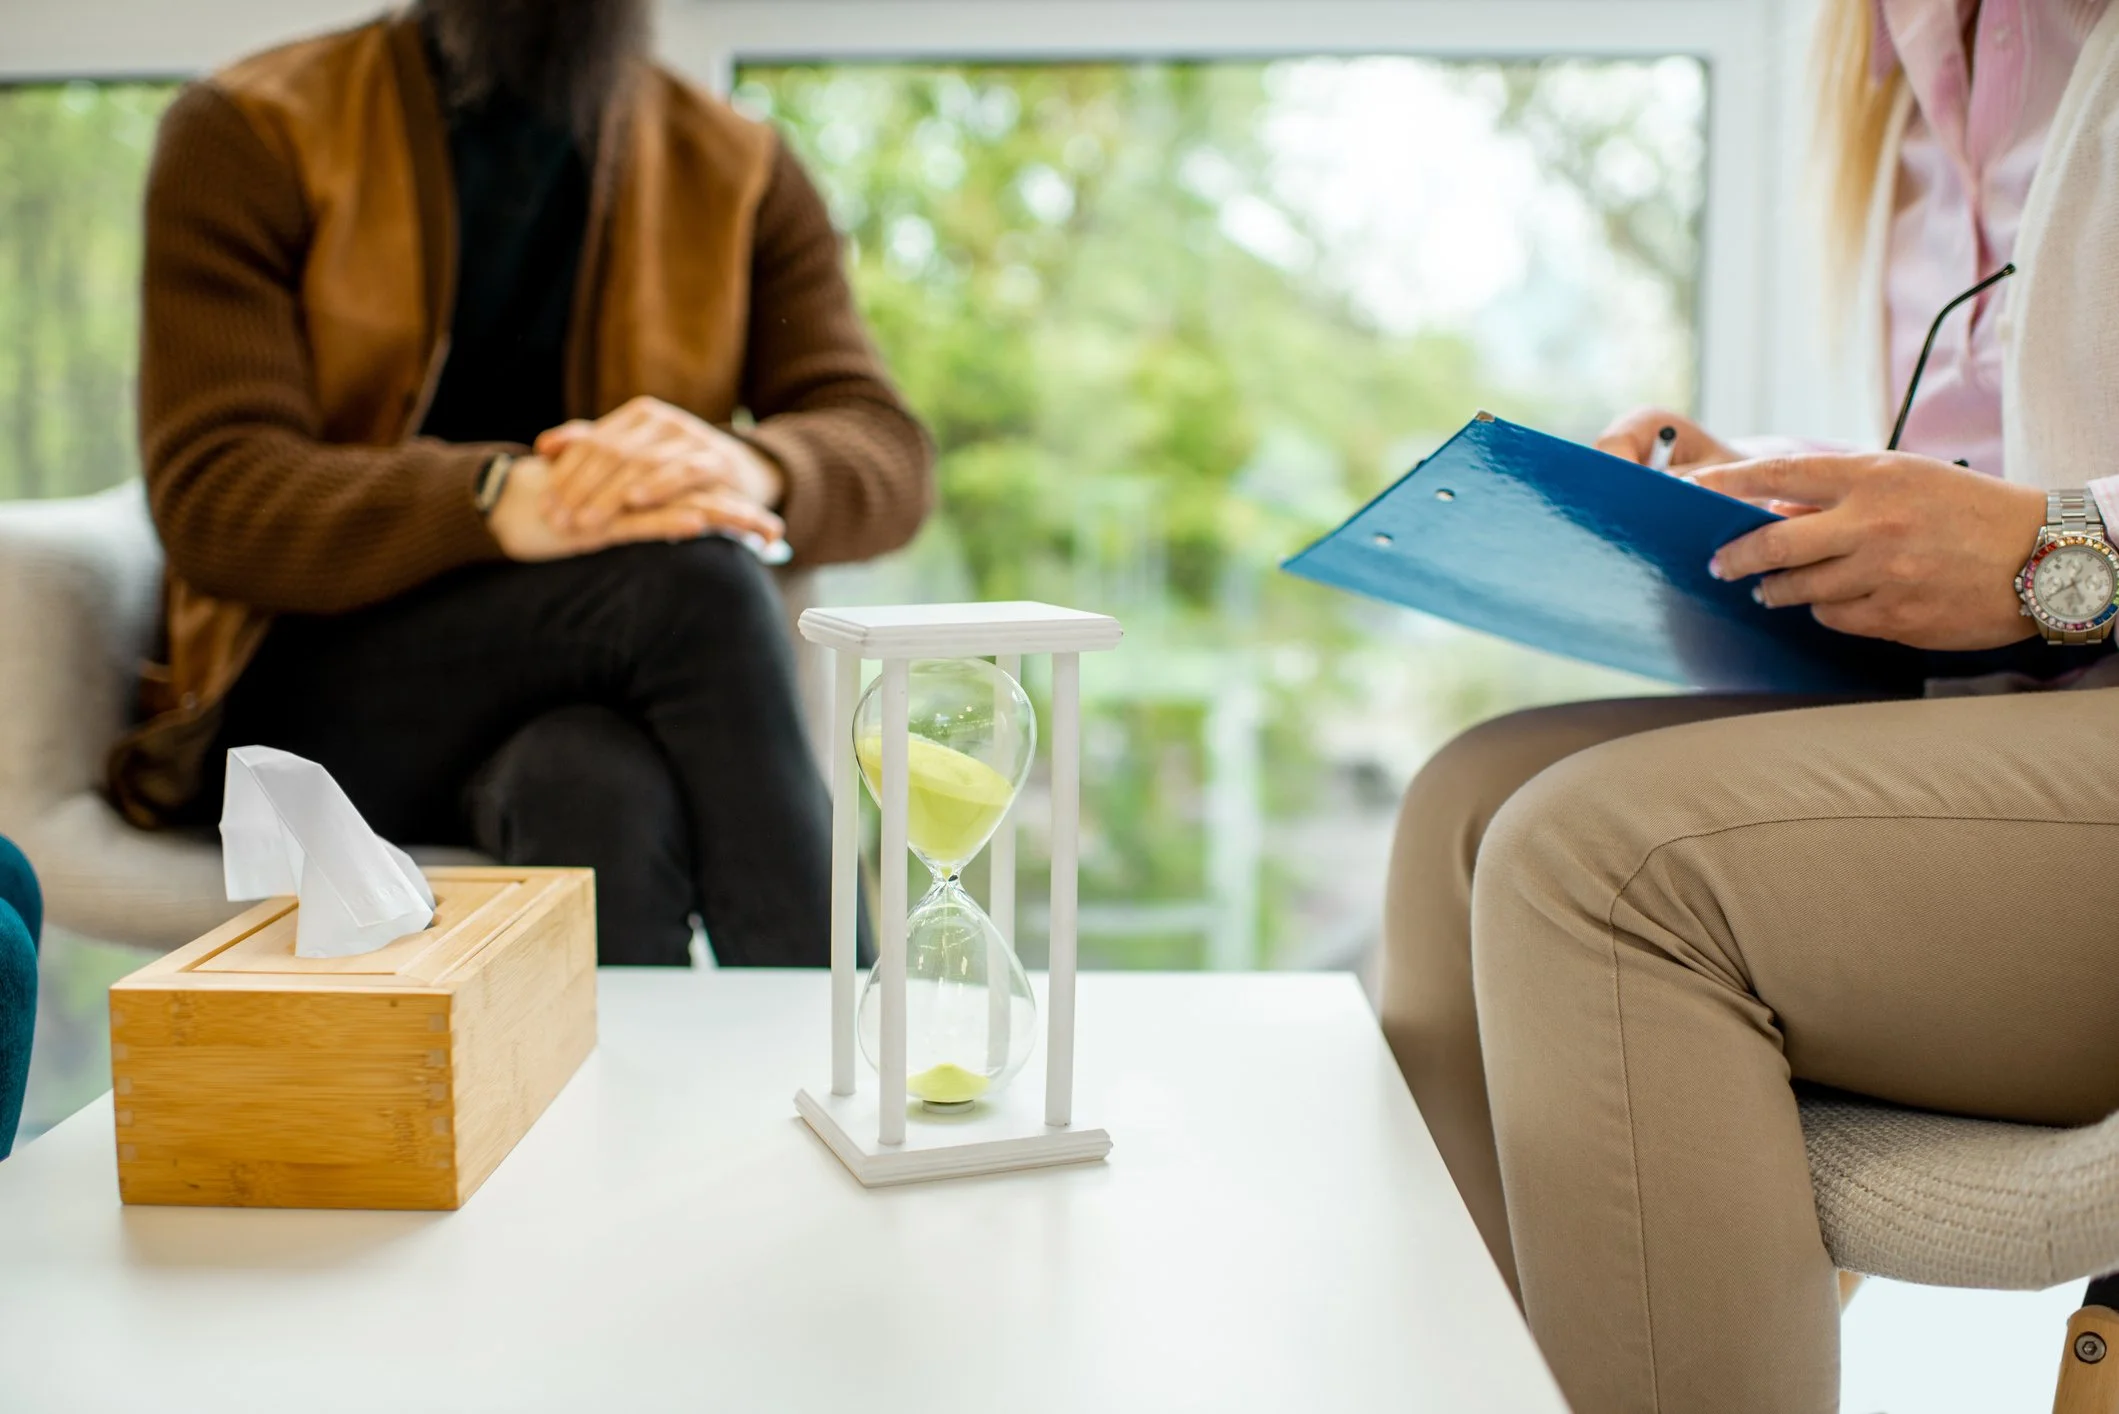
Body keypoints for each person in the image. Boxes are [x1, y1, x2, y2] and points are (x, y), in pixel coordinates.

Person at [1379, 1, 2119, 1408]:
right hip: (2009, 724)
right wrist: (1785, 497)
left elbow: (2039, 529)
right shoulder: (1898, 67)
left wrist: (2049, 558)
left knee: (1600, 863)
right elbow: (2004, 449)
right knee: (1460, 809)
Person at [111, 0, 932, 966]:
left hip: (589, 693)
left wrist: (746, 462)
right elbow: (214, 492)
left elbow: (886, 452)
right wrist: (503, 499)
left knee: (593, 786)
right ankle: (834, 1050)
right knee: (697, 582)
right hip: (306, 701)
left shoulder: (739, 170)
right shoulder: (251, 128)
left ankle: (642, 1116)